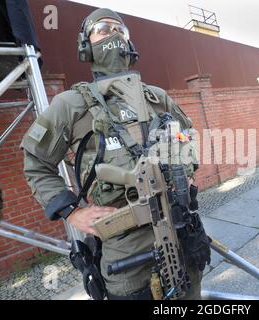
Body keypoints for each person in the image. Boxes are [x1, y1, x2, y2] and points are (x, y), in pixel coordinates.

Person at [20, 8, 210, 300]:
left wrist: (185, 170)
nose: (114, 34)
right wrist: (73, 212)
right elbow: (36, 162)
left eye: (120, 30)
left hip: (182, 235)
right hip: (127, 254)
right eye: (103, 29)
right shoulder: (71, 105)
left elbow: (189, 138)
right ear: (86, 46)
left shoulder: (157, 98)